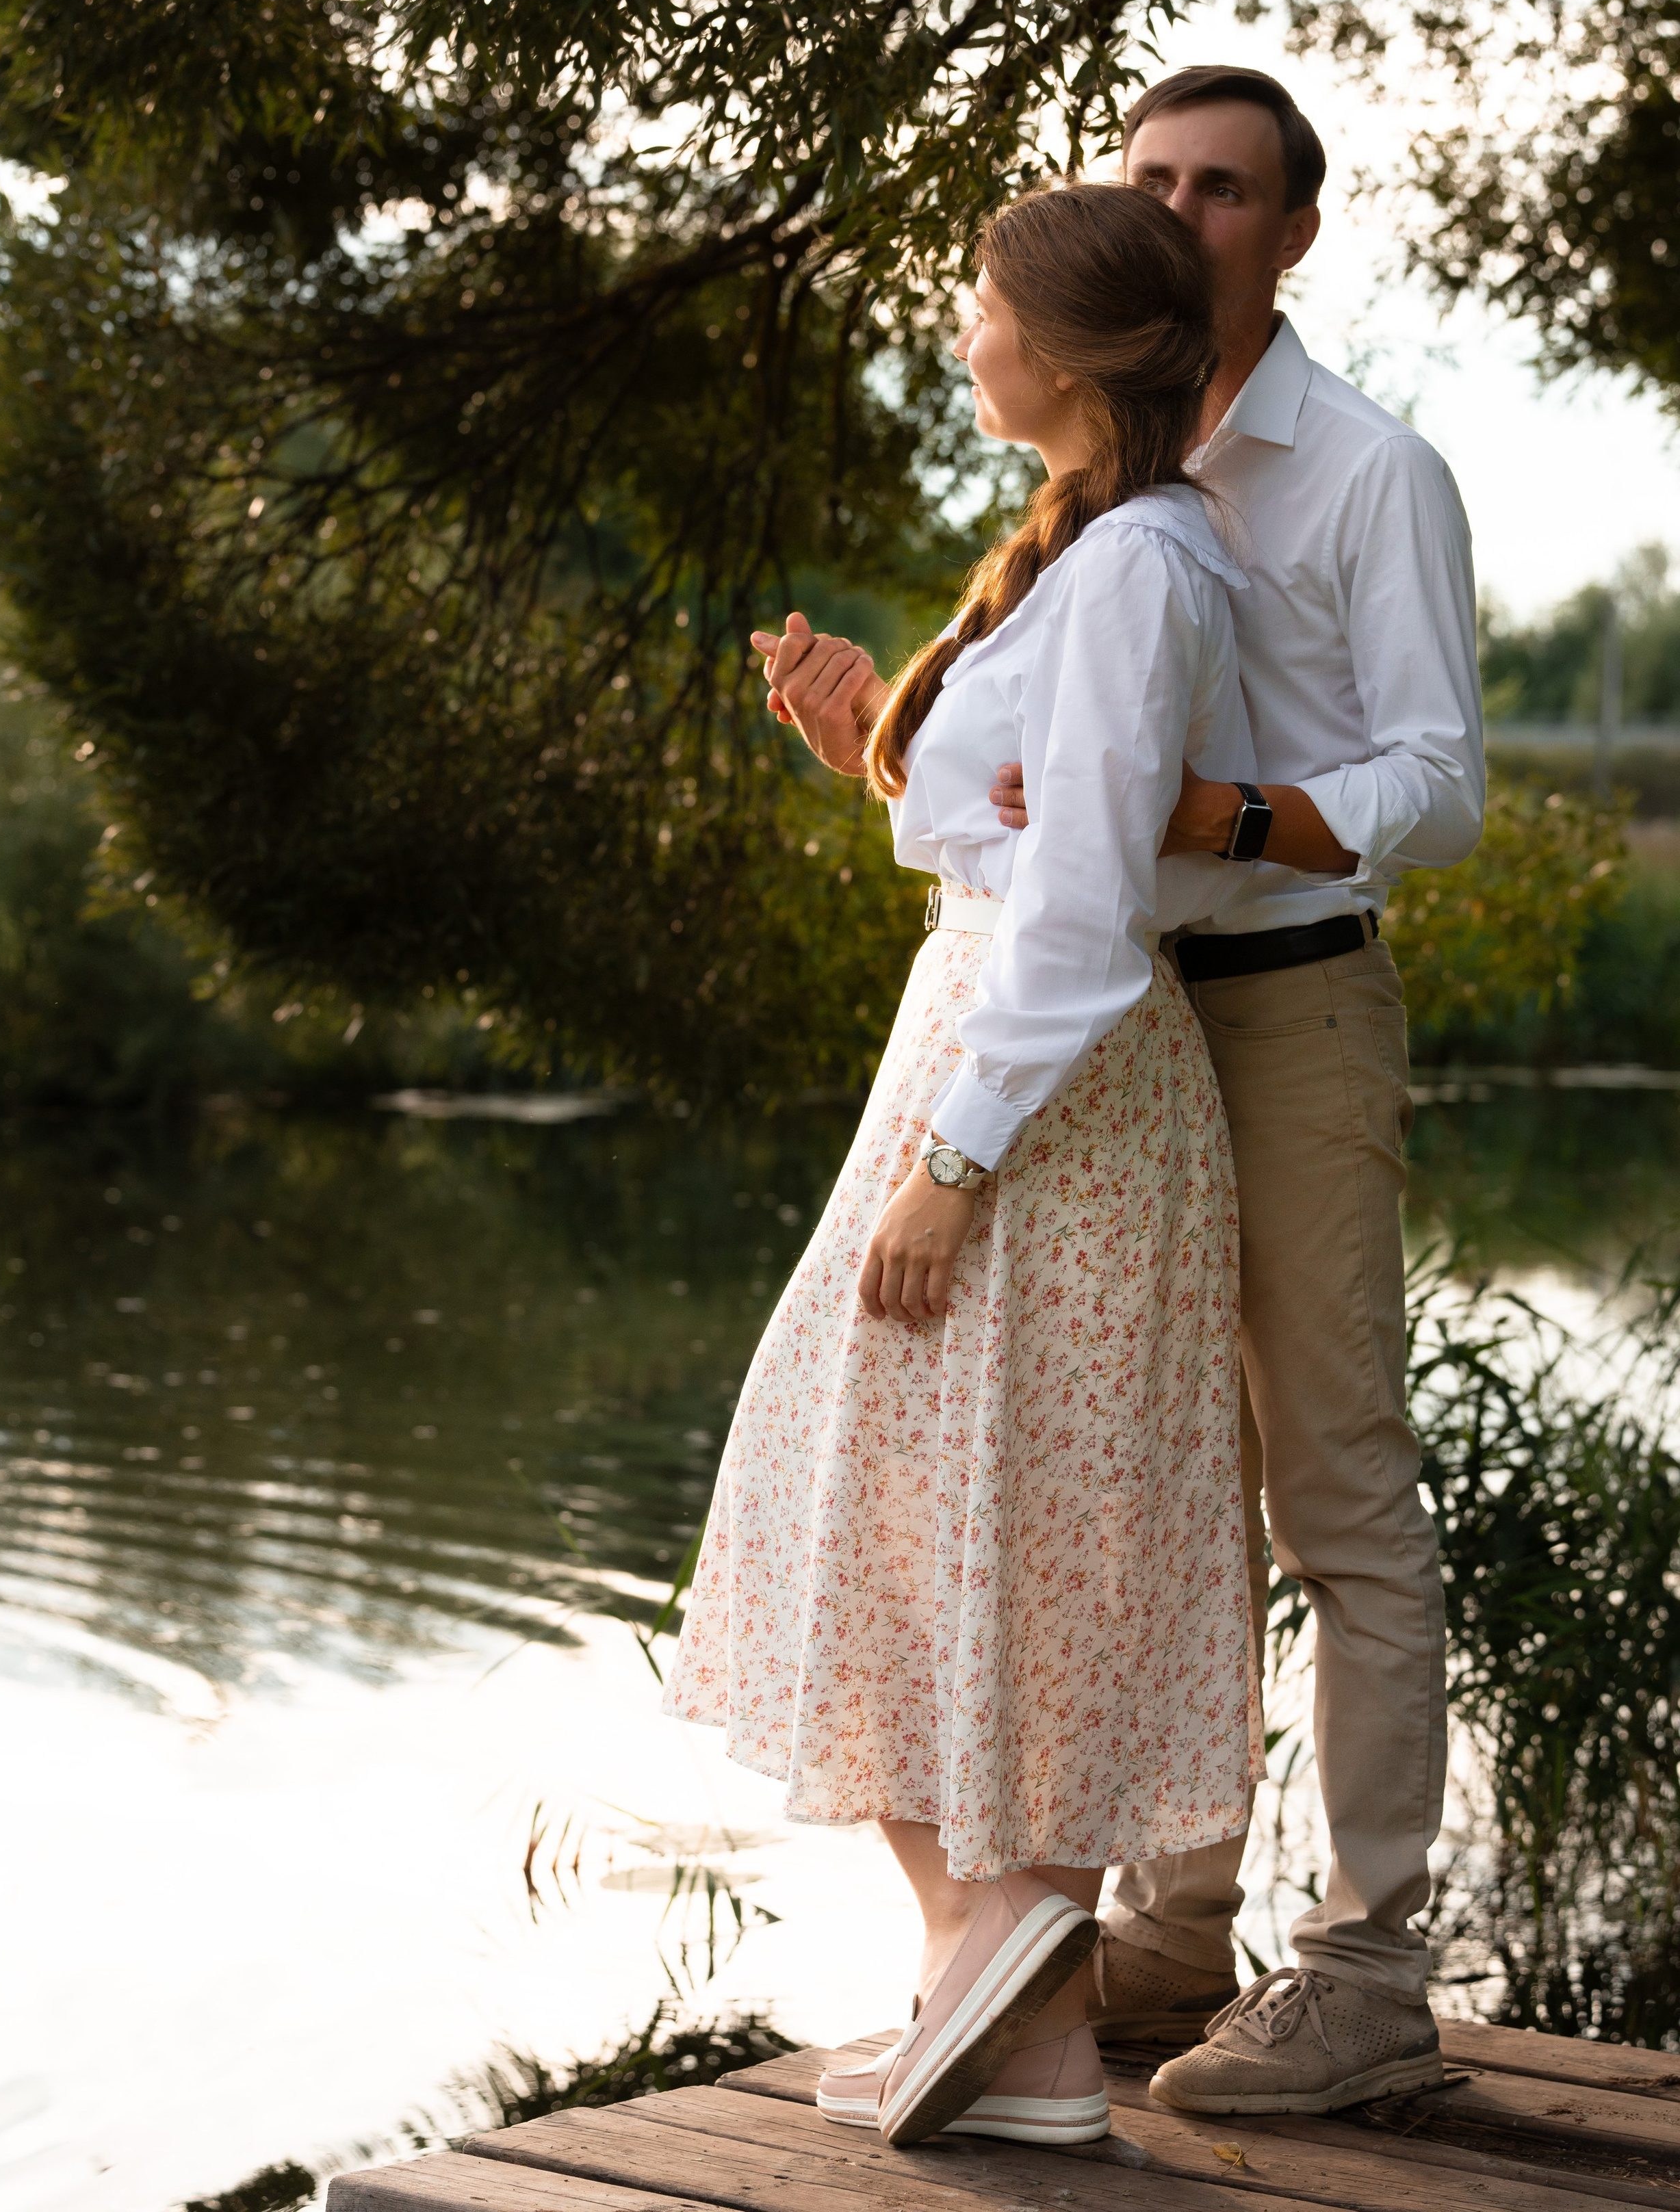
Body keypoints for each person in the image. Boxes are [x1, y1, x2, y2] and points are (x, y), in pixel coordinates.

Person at [764, 67, 1484, 2119]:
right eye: (1152, 178)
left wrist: (1229, 809)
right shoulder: (1104, 500)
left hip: (1284, 1001)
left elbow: (1436, 782)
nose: (1184, 206)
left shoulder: (1362, 472)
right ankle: (1138, 1946)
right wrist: (882, 753)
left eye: (1224, 188)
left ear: (1290, 229)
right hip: (1120, 1021)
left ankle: (1365, 1971)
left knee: (1331, 1482)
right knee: (1154, 1479)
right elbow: (1052, 823)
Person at [662, 182, 1264, 2152]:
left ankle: (1000, 1972)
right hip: (1010, 1070)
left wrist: (952, 1164)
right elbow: (1018, 840)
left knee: (912, 1502)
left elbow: (1082, 917)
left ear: (1074, 353)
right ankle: (1005, 2021)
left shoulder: (1139, 571)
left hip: (1037, 1102)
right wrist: (877, 741)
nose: (961, 332)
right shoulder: (1088, 554)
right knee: (948, 1516)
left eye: (982, 307)